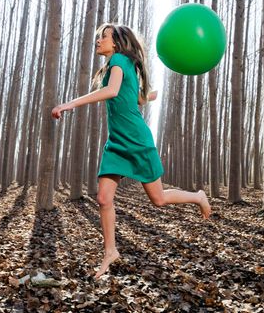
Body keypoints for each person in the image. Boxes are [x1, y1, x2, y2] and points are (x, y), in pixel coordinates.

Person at [52, 23, 211, 279]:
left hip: (136, 140)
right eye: (99, 36)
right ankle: (110, 251)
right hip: (116, 142)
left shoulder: (119, 60)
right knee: (104, 198)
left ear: (115, 43)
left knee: (158, 199)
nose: (98, 40)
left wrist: (70, 104)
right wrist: (153, 95)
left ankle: (198, 197)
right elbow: (137, 98)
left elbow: (112, 91)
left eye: (103, 36)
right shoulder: (118, 65)